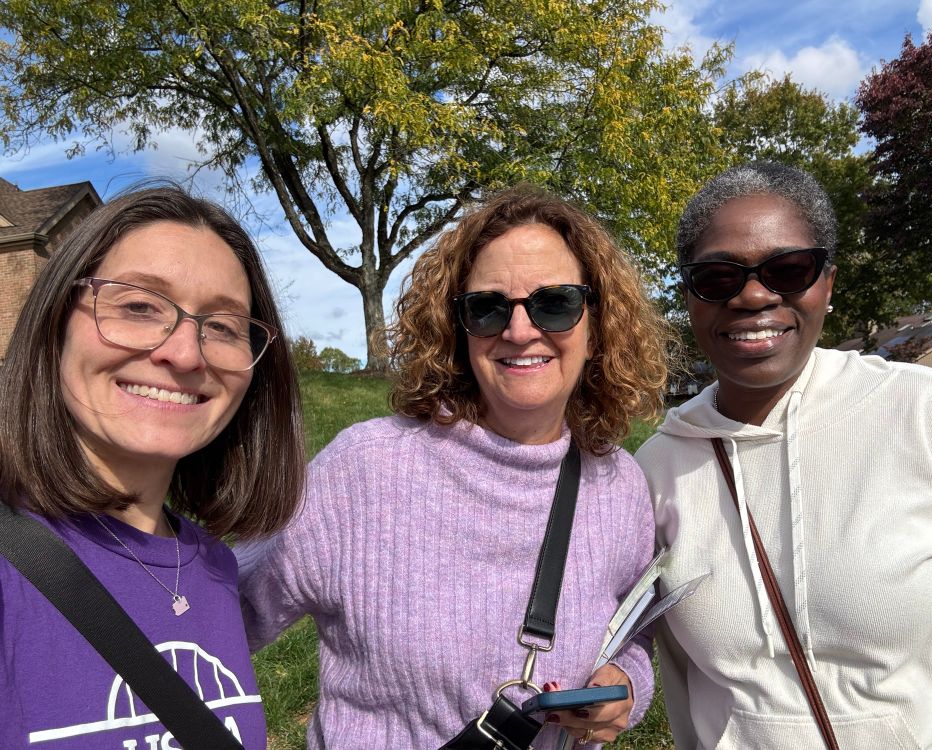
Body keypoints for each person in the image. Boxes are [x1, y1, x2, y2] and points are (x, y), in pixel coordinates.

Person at [238, 186, 670, 747]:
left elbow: (633, 634)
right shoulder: (365, 472)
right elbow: (208, 617)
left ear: (598, 324)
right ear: (456, 330)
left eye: (555, 302)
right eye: (488, 309)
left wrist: (625, 687)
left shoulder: (619, 485)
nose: (519, 331)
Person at [636, 162, 932, 749]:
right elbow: (677, 679)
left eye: (788, 269)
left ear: (827, 282)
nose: (753, 294)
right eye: (718, 276)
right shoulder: (656, 470)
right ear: (690, 296)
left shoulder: (924, 414)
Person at [0, 185, 305, 749]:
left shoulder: (212, 566)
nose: (185, 353)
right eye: (139, 305)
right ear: (54, 324)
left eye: (222, 326)